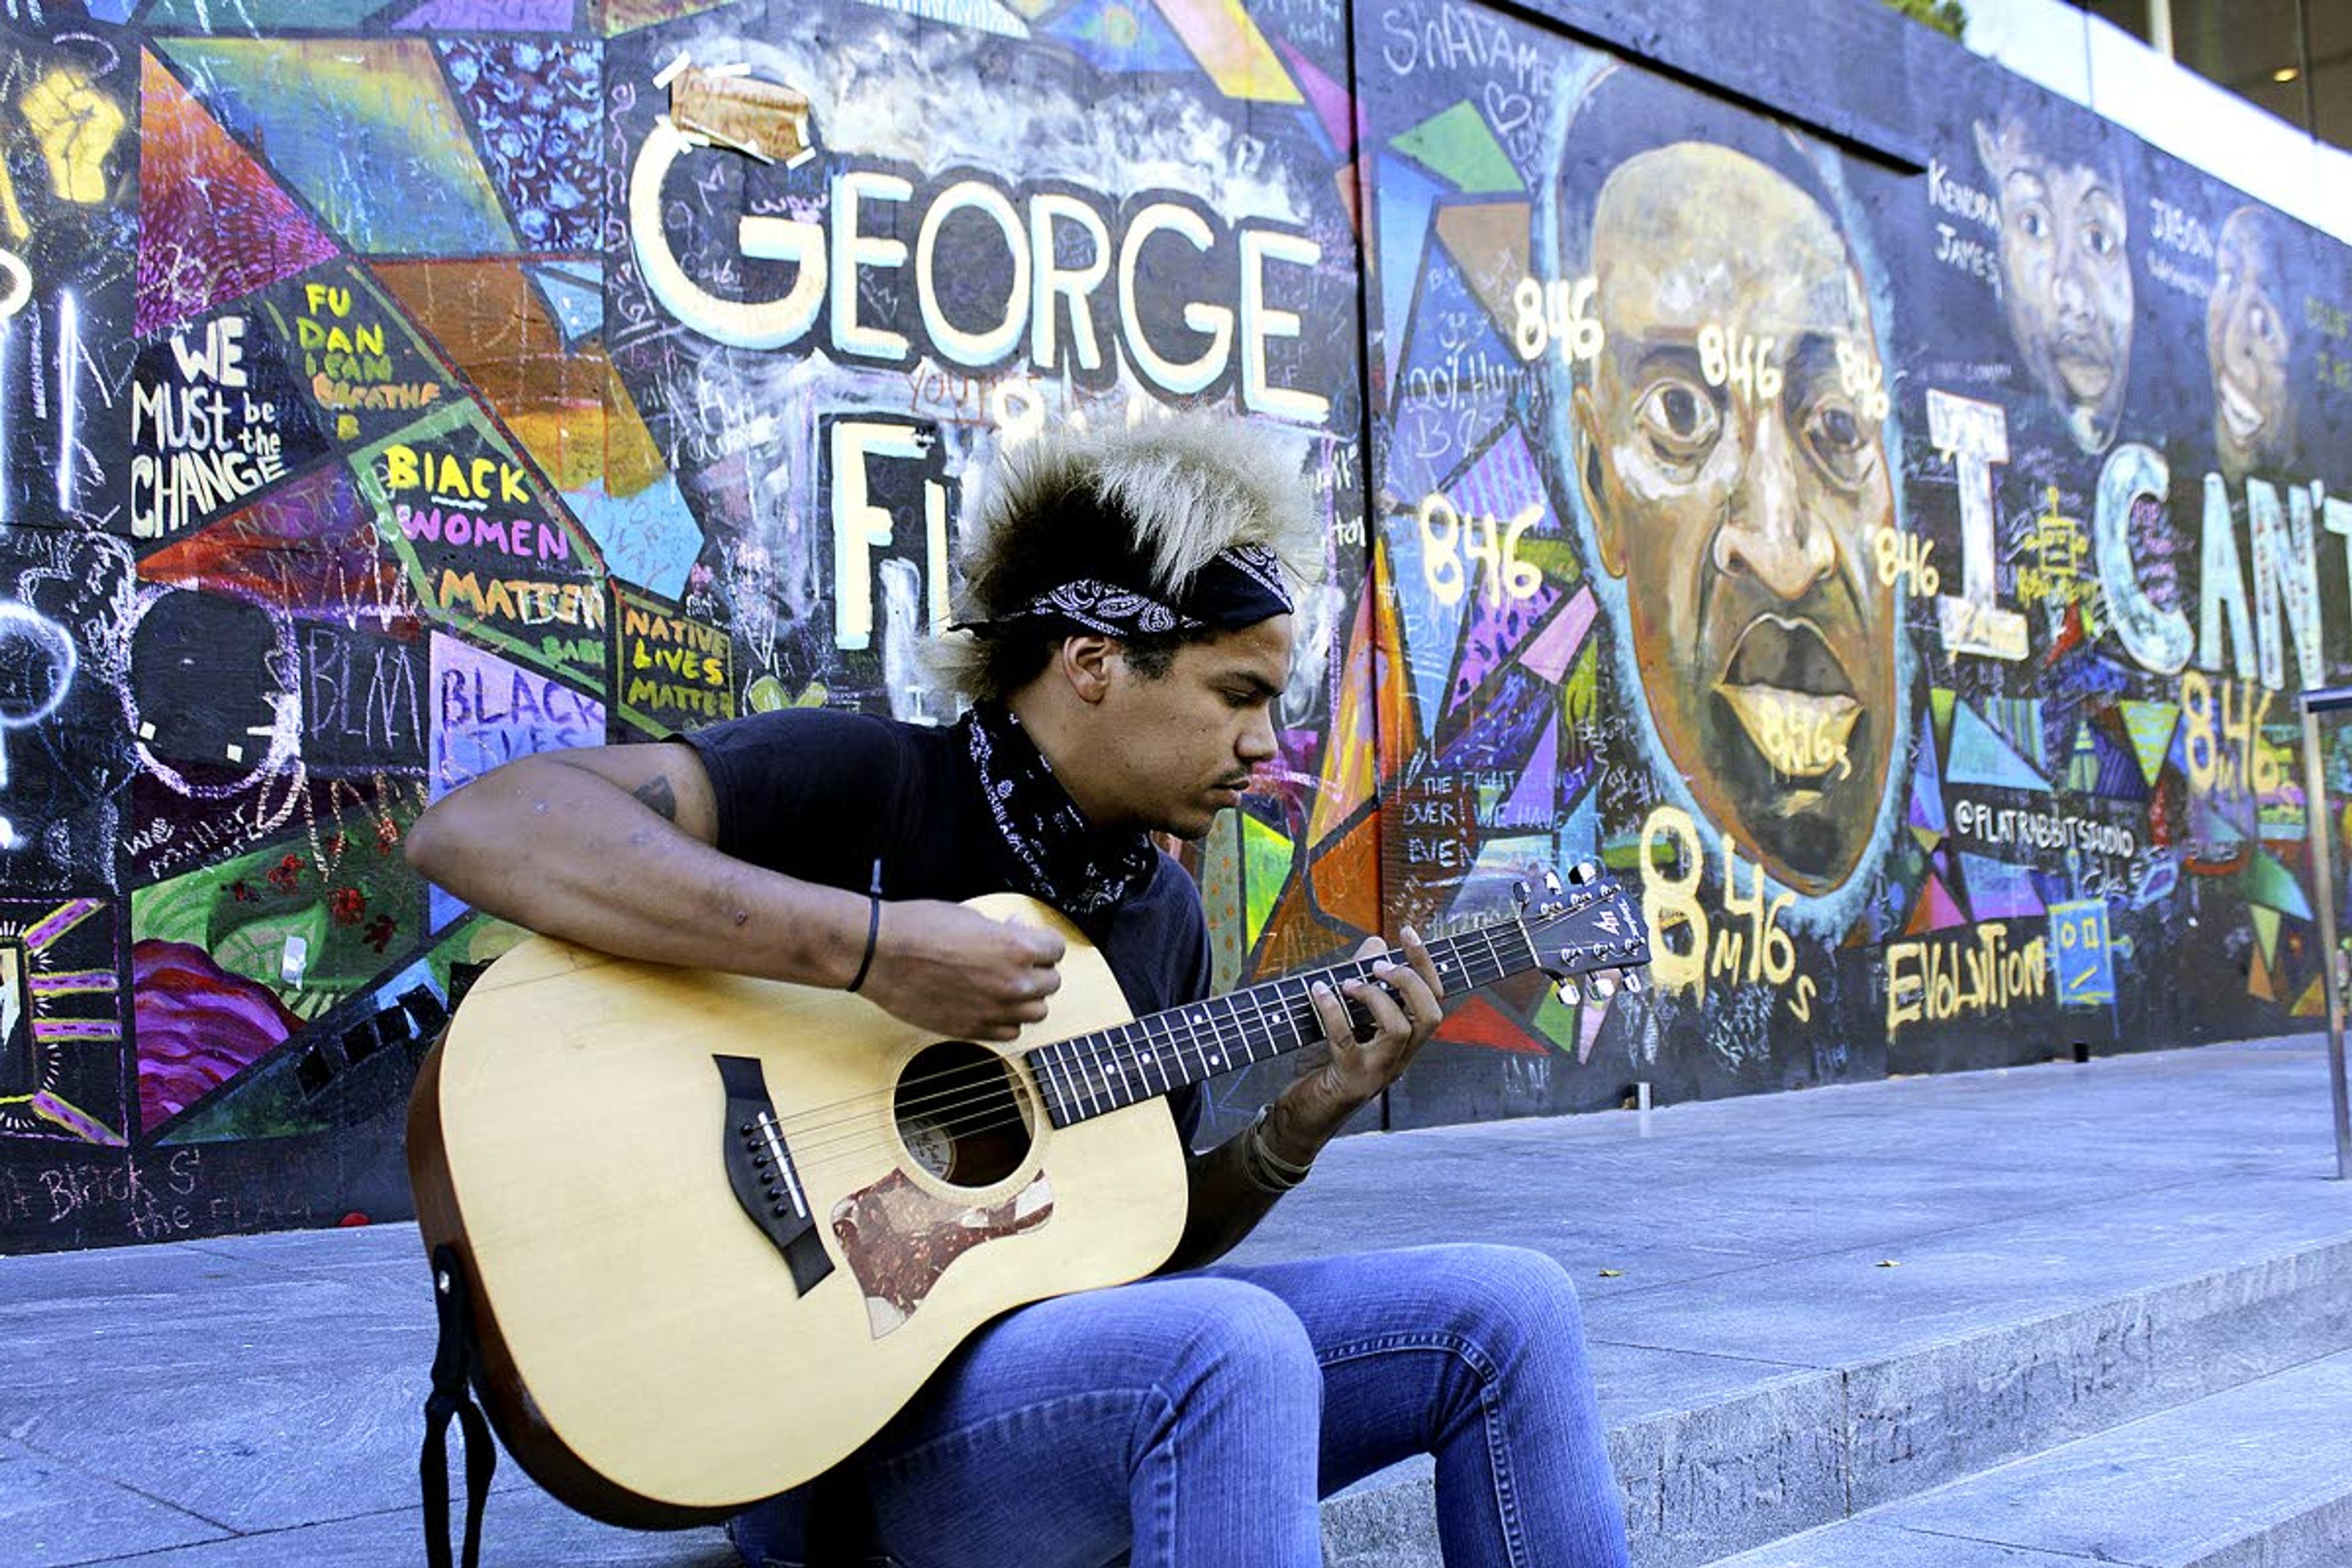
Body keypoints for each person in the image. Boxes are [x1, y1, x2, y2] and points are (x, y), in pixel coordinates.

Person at [405, 412, 1632, 1568]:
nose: (1268, 747)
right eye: (1238, 695)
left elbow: (1128, 1240)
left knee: (1509, 1311)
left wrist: (1293, 1125)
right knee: (1235, 1346)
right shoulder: (868, 781)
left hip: (1035, 1391)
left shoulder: (1158, 918)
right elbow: (486, 829)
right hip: (827, 1432)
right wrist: (872, 948)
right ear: (1095, 662)